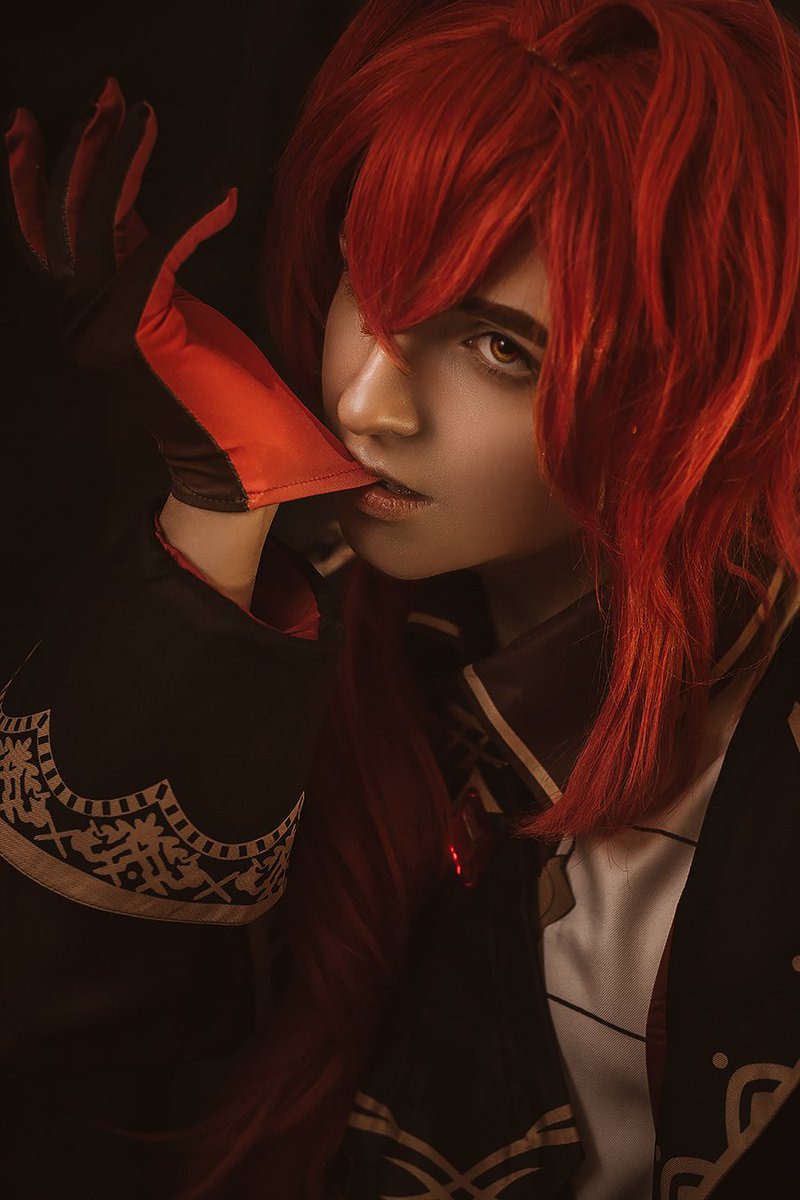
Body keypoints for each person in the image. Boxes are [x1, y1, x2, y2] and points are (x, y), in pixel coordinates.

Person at [2, 1, 800, 1198]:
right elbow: (71, 1049)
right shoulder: (321, 630)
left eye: (499, 348)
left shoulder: (762, 758)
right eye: (364, 290)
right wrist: (218, 514)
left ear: (684, 381)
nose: (365, 402)